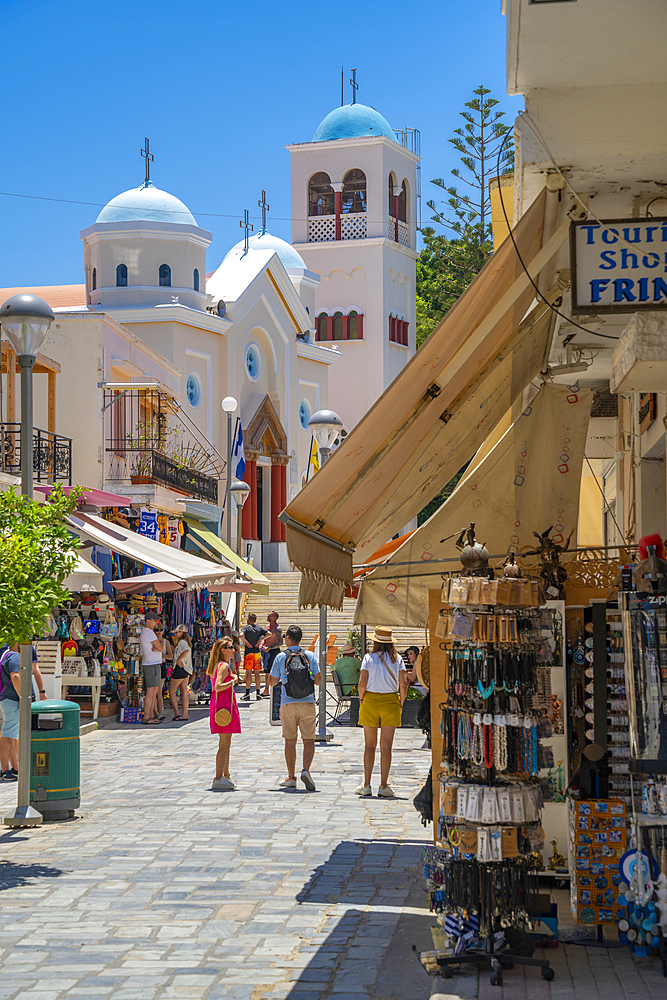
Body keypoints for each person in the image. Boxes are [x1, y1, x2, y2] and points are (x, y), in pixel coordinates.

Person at [356, 626, 407, 798]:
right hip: (390, 702)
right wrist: (400, 702)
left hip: (370, 701)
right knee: (386, 747)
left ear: (375, 642)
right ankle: (384, 785)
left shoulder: (368, 658)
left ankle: (367, 784)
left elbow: (362, 682)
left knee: (369, 746)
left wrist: (362, 699)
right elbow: (404, 683)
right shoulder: (398, 658)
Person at [269, 624, 321, 792]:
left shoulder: (281, 657)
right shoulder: (310, 656)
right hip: (308, 703)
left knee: (290, 741)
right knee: (309, 740)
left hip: (288, 703)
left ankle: (291, 777)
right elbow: (319, 680)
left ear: (287, 638)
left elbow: (272, 682)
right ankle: (306, 770)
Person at [0, 642, 48, 782]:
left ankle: (14, 768)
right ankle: (5, 770)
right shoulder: (14, 656)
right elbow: (15, 677)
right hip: (13, 701)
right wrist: (23, 698)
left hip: (9, 700)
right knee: (8, 735)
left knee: (12, 735)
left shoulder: (6, 656)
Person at [208, 638, 241, 790]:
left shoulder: (218, 665)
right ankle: (218, 777)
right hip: (224, 704)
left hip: (221, 703)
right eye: (230, 647)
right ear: (223, 650)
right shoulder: (224, 665)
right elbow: (218, 686)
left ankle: (225, 775)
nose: (233, 650)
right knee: (224, 744)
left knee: (226, 743)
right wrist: (233, 681)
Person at [140, 610, 164, 724]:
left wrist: (157, 645)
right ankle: (147, 716)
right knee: (151, 690)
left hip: (152, 663)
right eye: (154, 621)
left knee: (154, 689)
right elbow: (160, 647)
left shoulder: (148, 632)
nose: (156, 623)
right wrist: (158, 644)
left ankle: (150, 715)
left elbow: (158, 646)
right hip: (151, 663)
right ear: (148, 621)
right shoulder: (149, 632)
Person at [241, 613, 268, 701]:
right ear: (255, 620)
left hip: (249, 653)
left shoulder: (246, 628)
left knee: (249, 673)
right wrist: (260, 641)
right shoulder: (259, 628)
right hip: (257, 653)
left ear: (248, 619)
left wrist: (247, 643)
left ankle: (247, 693)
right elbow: (270, 634)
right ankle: (258, 693)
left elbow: (241, 635)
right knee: (257, 673)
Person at [169, 626, 192, 721]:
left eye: (177, 632)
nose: (175, 634)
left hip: (181, 667)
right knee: (184, 691)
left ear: (181, 632)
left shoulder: (182, 642)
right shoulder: (186, 642)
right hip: (187, 668)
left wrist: (179, 659)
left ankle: (177, 713)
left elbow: (185, 651)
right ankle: (185, 714)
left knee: (172, 690)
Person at [259, 611, 282, 697]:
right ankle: (266, 690)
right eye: (268, 615)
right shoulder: (267, 627)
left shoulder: (277, 628)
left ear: (275, 618)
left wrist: (270, 647)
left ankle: (276, 688)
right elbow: (265, 638)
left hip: (274, 651)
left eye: (270, 615)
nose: (268, 616)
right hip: (266, 651)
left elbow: (280, 642)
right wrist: (262, 644)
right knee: (267, 671)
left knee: (275, 671)